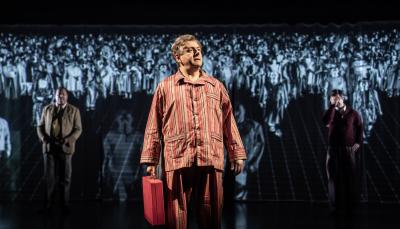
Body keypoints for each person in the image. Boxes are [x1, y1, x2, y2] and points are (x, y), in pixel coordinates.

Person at [140, 34, 247, 229]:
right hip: (177, 157)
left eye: (198, 48)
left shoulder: (216, 86)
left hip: (210, 156)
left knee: (211, 214)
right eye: (189, 49)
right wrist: (151, 160)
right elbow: (153, 124)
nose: (197, 52)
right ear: (177, 57)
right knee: (175, 215)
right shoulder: (165, 87)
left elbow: (228, 120)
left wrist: (236, 153)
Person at [37, 87, 82, 214]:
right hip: (49, 147)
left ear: (67, 96)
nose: (61, 97)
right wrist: (43, 138)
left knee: (65, 179)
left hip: (65, 148)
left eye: (63, 95)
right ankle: (48, 206)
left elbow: (78, 129)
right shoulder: (47, 109)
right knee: (49, 178)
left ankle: (64, 205)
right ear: (55, 96)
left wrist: (68, 139)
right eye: (58, 95)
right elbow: (39, 126)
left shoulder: (74, 111)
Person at [322, 89, 363, 216]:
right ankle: (334, 207)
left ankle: (350, 207)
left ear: (343, 98)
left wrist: (358, 142)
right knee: (333, 179)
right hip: (333, 149)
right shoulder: (331, 112)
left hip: (348, 149)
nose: (336, 99)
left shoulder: (352, 113)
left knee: (349, 177)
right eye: (333, 98)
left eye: (338, 97)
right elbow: (325, 122)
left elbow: (360, 127)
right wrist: (332, 107)